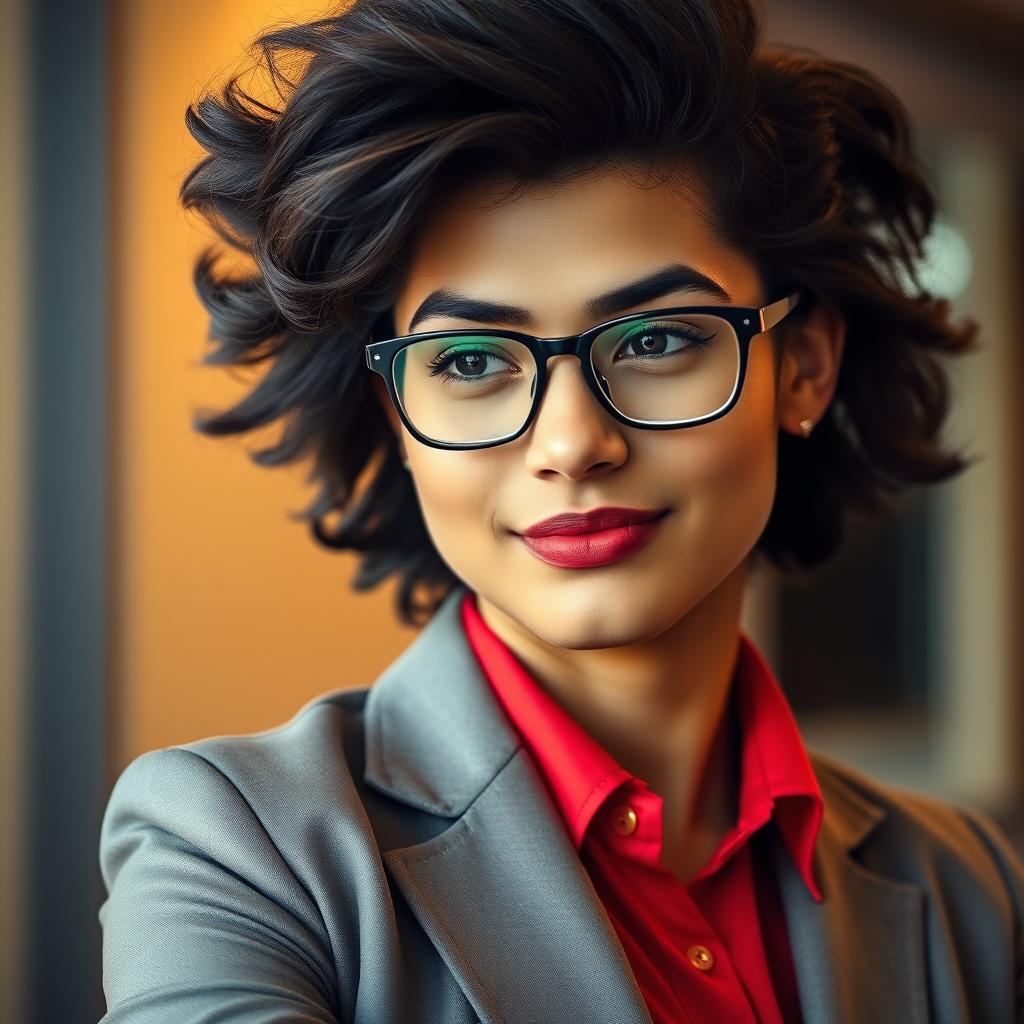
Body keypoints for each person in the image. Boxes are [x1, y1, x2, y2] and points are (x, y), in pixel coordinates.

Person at [97, 1, 1024, 1021]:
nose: (572, 443)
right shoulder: (237, 851)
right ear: (397, 413)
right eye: (468, 361)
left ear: (799, 367)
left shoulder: (966, 887)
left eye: (657, 339)